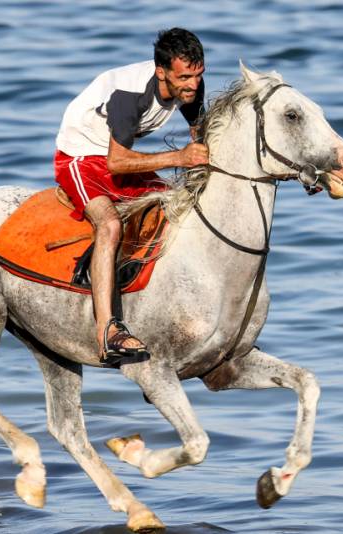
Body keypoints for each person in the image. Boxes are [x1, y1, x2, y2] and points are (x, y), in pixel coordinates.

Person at [53, 28, 209, 364]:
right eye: (184, 77)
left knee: (181, 210)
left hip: (115, 155)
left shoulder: (190, 85)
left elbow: (203, 141)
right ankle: (107, 330)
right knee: (108, 225)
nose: (193, 86)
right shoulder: (129, 94)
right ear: (161, 71)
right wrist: (180, 158)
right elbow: (117, 162)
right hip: (80, 157)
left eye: (198, 75)